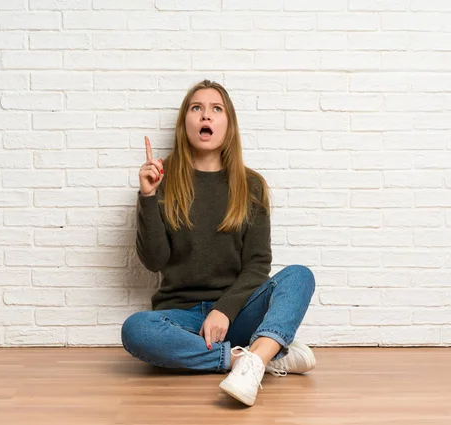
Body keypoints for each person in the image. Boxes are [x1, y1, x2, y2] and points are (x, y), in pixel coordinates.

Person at [121, 80, 316, 407]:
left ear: (228, 124)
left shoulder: (250, 184)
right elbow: (154, 260)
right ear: (186, 123)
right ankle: (253, 358)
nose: (205, 116)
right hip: (183, 319)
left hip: (237, 313)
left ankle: (255, 359)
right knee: (136, 329)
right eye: (196, 108)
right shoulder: (164, 180)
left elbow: (257, 266)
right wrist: (148, 196)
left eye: (216, 109)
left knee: (299, 276)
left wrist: (224, 310)